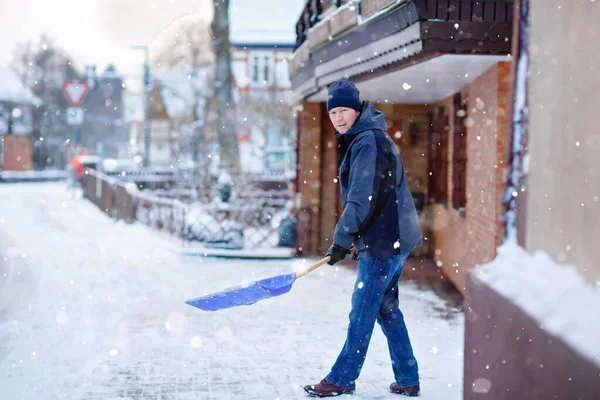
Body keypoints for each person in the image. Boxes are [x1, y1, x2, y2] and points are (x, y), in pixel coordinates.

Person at [303, 80, 423, 398]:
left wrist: (342, 240)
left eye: (344, 110)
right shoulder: (367, 136)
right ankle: (408, 377)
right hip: (394, 235)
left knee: (363, 309)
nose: (339, 118)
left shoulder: (367, 140)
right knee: (385, 307)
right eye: (333, 112)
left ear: (357, 110)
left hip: (385, 240)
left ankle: (342, 378)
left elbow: (360, 198)